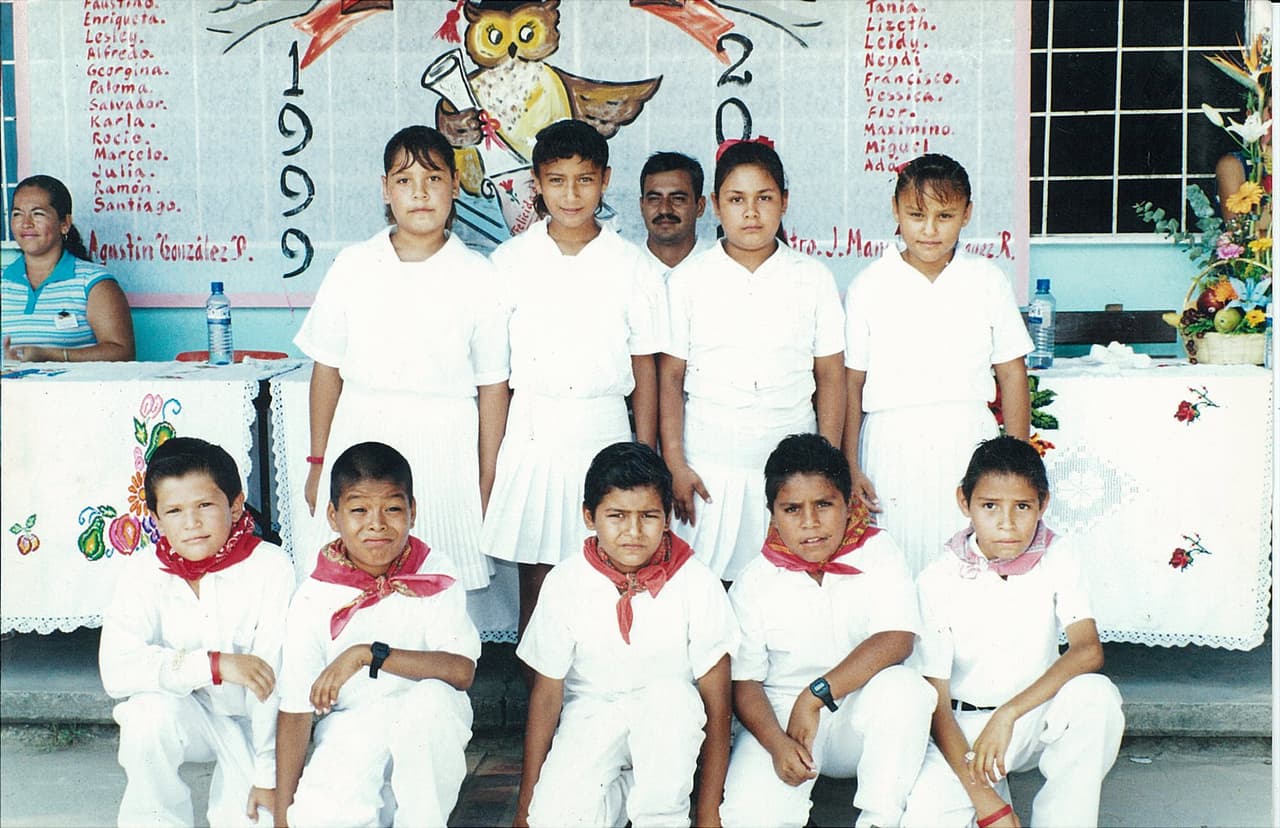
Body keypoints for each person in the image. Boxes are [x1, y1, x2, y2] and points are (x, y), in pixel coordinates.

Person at [294, 125, 509, 591]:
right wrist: (318, 461)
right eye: (405, 181)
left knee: (439, 575)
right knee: (357, 566)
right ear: (385, 189)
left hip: (446, 440)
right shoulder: (354, 265)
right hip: (362, 429)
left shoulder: (479, 275)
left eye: (433, 180)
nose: (420, 194)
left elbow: (494, 385)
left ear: (455, 184)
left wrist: (487, 475)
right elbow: (326, 369)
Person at [482, 118, 668, 642]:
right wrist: (491, 464)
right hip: (534, 428)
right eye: (557, 180)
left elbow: (646, 367)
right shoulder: (509, 263)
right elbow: (495, 379)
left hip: (602, 426)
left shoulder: (632, 265)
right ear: (536, 184)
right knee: (537, 568)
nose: (571, 194)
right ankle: (536, 695)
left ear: (605, 180)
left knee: (608, 562)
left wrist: (646, 451)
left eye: (584, 180)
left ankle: (602, 682)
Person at [902, 436, 1123, 828]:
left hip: (1033, 716)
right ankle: (991, 790)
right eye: (990, 506)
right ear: (963, 502)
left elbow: (1088, 651)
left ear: (1043, 504)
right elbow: (935, 701)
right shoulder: (938, 577)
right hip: (962, 730)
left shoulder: (1058, 554)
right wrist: (991, 807)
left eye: (1022, 507)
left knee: (1096, 698)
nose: (1006, 523)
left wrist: (1009, 714)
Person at [514, 442, 737, 828]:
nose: (633, 532)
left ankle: (661, 813)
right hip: (593, 714)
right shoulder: (565, 582)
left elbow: (718, 704)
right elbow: (547, 695)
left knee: (670, 699)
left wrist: (709, 814)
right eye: (616, 515)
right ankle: (627, 791)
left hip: (671, 721)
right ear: (589, 516)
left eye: (649, 515)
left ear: (668, 517)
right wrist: (525, 811)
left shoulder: (696, 581)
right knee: (554, 819)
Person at [720, 434, 935, 828]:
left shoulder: (878, 550)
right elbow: (745, 681)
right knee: (748, 816)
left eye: (824, 504)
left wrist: (815, 695)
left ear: (848, 502)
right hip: (786, 721)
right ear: (772, 513)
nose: (810, 523)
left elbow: (897, 638)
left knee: (907, 690)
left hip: (859, 711)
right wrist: (775, 743)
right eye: (792, 509)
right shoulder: (754, 581)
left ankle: (878, 818)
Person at [660, 139, 845, 582]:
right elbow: (670, 379)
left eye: (764, 198)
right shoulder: (688, 280)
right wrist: (676, 464)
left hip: (792, 464)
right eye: (736, 200)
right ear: (716, 208)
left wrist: (828, 464)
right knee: (707, 584)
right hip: (710, 464)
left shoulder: (812, 278)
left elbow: (831, 377)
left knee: (788, 581)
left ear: (784, 202)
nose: (751, 212)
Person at [842, 153, 1032, 577]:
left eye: (944, 215)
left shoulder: (987, 280)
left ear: (967, 214)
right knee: (898, 564)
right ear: (896, 211)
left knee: (966, 566)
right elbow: (851, 384)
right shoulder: (869, 285)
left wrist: (1016, 461)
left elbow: (1012, 373)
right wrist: (852, 465)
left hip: (968, 441)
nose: (929, 230)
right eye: (916, 214)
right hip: (891, 444)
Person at [275, 442, 479, 827]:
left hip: (427, 723)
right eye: (358, 510)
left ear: (413, 511)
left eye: (393, 508)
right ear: (333, 516)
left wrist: (368, 653)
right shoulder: (314, 595)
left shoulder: (433, 570)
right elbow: (296, 710)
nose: (377, 524)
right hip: (354, 724)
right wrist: (283, 816)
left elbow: (460, 672)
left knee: (430, 704)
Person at [99, 436, 294, 827]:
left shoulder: (271, 568)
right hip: (187, 715)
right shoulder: (143, 572)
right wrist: (214, 665)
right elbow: (116, 670)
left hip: (253, 725)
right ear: (155, 519)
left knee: (255, 818)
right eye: (174, 510)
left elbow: (273, 685)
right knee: (144, 717)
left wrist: (267, 775)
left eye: (205, 505)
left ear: (236, 505)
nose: (191, 523)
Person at [3, 174, 134, 362]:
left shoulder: (93, 282)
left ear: (64, 224)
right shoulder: (3, 281)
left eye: (37, 213)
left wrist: (50, 356)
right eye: (17, 214)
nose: (26, 223)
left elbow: (123, 353)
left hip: (72, 391)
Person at [639, 151, 711, 272]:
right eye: (654, 199)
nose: (664, 209)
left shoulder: (723, 269)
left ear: (700, 206)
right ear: (642, 206)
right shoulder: (622, 269)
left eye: (678, 199)